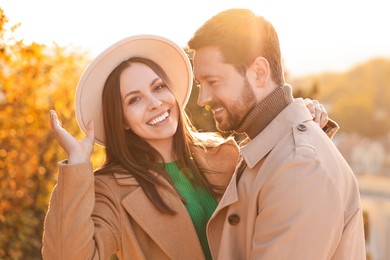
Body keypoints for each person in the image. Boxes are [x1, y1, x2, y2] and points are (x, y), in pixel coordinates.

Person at [42, 34, 331, 259]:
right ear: (123, 121)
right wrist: (77, 165)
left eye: (158, 88)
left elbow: (284, 189)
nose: (155, 103)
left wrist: (300, 118)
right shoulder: (111, 190)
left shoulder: (225, 154)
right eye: (134, 99)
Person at [186, 8, 366, 260]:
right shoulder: (270, 148)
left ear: (259, 72)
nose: (203, 98)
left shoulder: (300, 168)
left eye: (213, 82)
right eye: (199, 85)